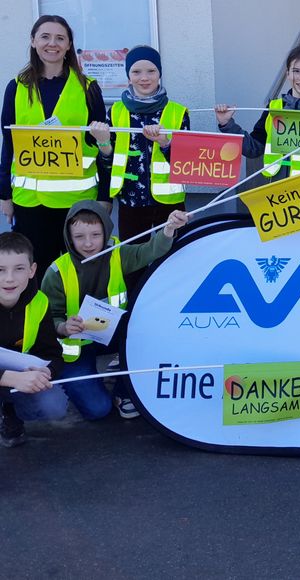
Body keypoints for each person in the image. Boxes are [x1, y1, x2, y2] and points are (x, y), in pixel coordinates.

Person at [42, 200, 188, 420]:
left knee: (146, 331)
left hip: (109, 334)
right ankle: (82, 382)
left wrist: (168, 229)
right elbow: (44, 322)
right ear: (69, 237)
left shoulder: (118, 253)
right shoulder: (56, 273)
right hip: (75, 348)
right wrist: (62, 327)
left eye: (95, 235)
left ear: (106, 232)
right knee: (98, 410)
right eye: (79, 236)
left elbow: (149, 251)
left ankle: (123, 388)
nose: (88, 243)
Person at [0, 15, 112, 282]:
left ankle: (81, 324)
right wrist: (4, 194)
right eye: (45, 37)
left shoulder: (88, 88)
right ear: (33, 41)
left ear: (69, 44)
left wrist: (106, 196)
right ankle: (46, 324)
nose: (53, 44)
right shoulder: (16, 88)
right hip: (30, 202)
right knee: (38, 274)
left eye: (60, 38)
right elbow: (9, 144)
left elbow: (104, 143)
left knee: (82, 273)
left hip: (78, 203)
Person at [215, 46, 300, 213]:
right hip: (277, 200)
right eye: (296, 71)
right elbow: (253, 148)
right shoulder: (274, 109)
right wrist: (227, 124)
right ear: (287, 73)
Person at [99, 45, 190, 240]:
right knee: (134, 263)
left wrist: (165, 143)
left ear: (160, 74)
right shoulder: (116, 111)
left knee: (172, 258)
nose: (144, 77)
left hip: (169, 204)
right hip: (130, 203)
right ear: (128, 75)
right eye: (136, 71)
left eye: (151, 71)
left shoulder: (178, 112)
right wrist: (103, 144)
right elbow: (108, 163)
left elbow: (186, 163)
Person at [0, 232, 67, 448]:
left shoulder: (39, 301)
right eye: (0, 270)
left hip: (16, 374)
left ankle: (9, 411)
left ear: (32, 270)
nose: (9, 278)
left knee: (54, 404)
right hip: (8, 377)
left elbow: (52, 354)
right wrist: (8, 378)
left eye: (19, 268)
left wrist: (47, 372)